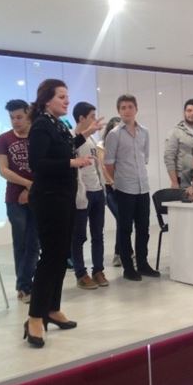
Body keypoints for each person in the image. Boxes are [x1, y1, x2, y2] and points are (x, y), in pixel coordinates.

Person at [24, 79, 103, 348]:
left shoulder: (58, 124)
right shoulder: (41, 125)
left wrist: (85, 134)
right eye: (61, 97)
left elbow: (65, 146)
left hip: (64, 197)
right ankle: (35, 316)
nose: (67, 101)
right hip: (48, 199)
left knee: (60, 257)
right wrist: (73, 162)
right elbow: (37, 163)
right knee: (50, 258)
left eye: (67, 96)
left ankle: (52, 308)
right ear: (47, 100)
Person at [104, 94, 160, 281]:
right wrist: (116, 182)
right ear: (118, 111)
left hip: (143, 186)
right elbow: (109, 163)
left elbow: (145, 158)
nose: (127, 110)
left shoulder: (144, 132)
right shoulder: (114, 134)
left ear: (136, 109)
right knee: (125, 228)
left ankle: (143, 264)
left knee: (143, 227)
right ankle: (128, 267)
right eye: (123, 107)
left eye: (130, 107)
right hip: (124, 188)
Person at [0, 99, 38, 304]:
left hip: (38, 198)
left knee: (34, 243)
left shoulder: (38, 136)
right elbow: (3, 170)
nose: (15, 121)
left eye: (19, 117)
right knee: (21, 243)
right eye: (12, 118)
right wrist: (27, 184)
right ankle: (24, 286)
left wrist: (32, 189)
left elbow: (45, 165)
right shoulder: (4, 139)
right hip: (14, 200)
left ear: (28, 115)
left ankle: (25, 284)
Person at [70, 102, 108, 290]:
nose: (95, 120)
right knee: (78, 236)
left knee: (98, 235)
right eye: (92, 116)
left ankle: (98, 270)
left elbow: (97, 167)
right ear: (81, 118)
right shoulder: (71, 138)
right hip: (81, 195)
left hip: (97, 192)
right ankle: (81, 273)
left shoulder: (92, 140)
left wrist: (103, 188)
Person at [97, 117, 133, 268]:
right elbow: (103, 167)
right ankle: (121, 254)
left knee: (126, 220)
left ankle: (124, 252)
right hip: (110, 189)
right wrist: (112, 182)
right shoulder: (101, 146)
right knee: (121, 218)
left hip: (124, 186)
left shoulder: (124, 145)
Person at [164, 99, 193, 188]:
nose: (192, 113)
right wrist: (174, 182)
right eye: (189, 110)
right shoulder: (175, 132)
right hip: (183, 179)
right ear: (184, 112)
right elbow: (169, 158)